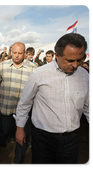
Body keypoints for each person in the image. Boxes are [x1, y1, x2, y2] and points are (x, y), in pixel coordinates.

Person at [15, 33, 90, 164]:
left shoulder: (85, 75)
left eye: (80, 60)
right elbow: (25, 103)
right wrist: (20, 129)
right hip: (43, 139)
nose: (75, 65)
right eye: (70, 60)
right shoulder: (39, 74)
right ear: (57, 55)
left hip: (72, 139)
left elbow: (89, 107)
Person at [0, 42, 36, 164]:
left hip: (24, 111)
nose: (17, 56)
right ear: (11, 52)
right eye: (14, 53)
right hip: (6, 107)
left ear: (24, 53)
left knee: (23, 136)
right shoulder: (3, 66)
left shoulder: (32, 68)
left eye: (19, 53)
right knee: (5, 131)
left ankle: (18, 161)